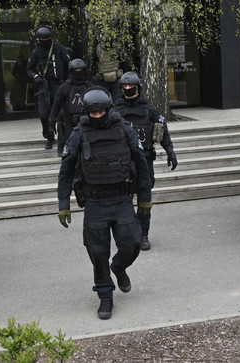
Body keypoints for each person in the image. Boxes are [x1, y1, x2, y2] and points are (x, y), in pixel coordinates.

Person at [57, 88, 152, 320]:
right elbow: (66, 169)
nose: (97, 116)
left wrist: (145, 198)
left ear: (109, 109)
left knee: (133, 245)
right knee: (98, 253)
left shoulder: (124, 130)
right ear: (87, 112)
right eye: (93, 113)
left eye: (101, 112)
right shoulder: (78, 134)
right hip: (95, 202)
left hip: (122, 199)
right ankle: (105, 296)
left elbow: (141, 162)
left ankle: (119, 267)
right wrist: (63, 203)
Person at [113, 71, 178, 251]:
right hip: (123, 163)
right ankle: (129, 234)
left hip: (144, 163)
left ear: (138, 87)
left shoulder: (149, 109)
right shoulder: (115, 110)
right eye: (124, 87)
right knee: (124, 202)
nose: (127, 89)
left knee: (145, 202)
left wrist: (170, 152)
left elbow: (162, 132)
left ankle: (143, 235)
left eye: (130, 86)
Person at [26, 25, 71, 149]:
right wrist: (36, 77)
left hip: (60, 85)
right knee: (44, 114)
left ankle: (63, 138)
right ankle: (49, 137)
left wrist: (68, 81)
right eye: (43, 39)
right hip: (44, 86)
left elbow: (69, 64)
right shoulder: (36, 52)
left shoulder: (59, 49)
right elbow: (29, 69)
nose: (45, 41)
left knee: (62, 114)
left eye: (47, 38)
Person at [48, 58, 93, 157]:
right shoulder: (64, 87)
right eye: (75, 70)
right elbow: (55, 107)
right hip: (68, 123)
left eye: (80, 70)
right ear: (71, 71)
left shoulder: (89, 87)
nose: (78, 72)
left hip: (87, 122)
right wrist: (51, 125)